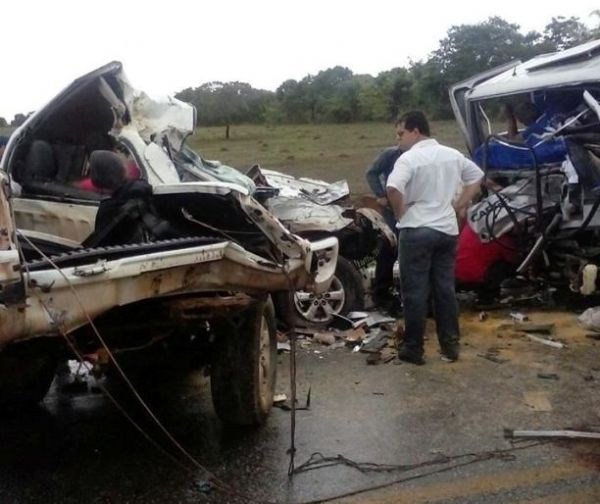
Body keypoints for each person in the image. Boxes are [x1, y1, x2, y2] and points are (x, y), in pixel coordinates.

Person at [386, 111, 484, 365]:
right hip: (447, 231)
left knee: (415, 292)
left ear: (416, 131)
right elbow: (477, 176)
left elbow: (392, 188)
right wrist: (460, 204)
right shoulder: (452, 155)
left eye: (401, 134)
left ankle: (413, 349)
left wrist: (401, 214)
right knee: (445, 289)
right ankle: (450, 346)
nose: (399, 140)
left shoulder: (409, 159)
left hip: (417, 229)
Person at [365, 144, 403, 313]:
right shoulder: (390, 154)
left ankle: (403, 294)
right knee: (389, 249)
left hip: (412, 210)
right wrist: (380, 195)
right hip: (391, 211)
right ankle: (382, 294)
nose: (399, 139)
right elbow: (371, 172)